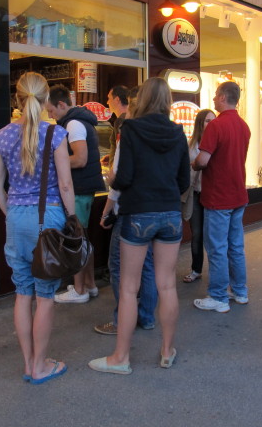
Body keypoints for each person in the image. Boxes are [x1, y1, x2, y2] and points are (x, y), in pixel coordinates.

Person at [89, 77, 189, 374]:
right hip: (170, 213)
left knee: (129, 286)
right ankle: (167, 350)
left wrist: (111, 180)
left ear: (142, 99)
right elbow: (184, 181)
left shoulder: (131, 129)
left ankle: (121, 358)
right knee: (167, 285)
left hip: (138, 214)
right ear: (168, 101)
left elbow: (125, 176)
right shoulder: (178, 132)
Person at [0, 72, 75, 384]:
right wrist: (72, 219)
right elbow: (65, 184)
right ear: (45, 100)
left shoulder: (2, 135)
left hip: (15, 219)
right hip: (48, 218)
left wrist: (11, 212)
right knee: (46, 295)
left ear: (18, 97)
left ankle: (29, 363)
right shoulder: (55, 134)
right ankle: (41, 365)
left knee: (23, 293)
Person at [94, 86, 158, 335]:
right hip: (153, 208)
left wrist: (107, 211)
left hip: (129, 210)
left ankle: (123, 321)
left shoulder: (128, 133)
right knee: (149, 265)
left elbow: (117, 180)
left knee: (119, 266)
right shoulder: (160, 132)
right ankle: (147, 317)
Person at [192, 81, 251, 313]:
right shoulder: (244, 126)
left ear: (224, 97)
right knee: (235, 246)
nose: (214, 99)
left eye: (216, 96)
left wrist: (194, 163)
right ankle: (240, 291)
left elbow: (203, 160)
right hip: (238, 194)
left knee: (216, 247)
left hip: (218, 195)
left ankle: (218, 296)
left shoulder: (215, 126)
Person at [47, 85, 106, 304]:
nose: (51, 117)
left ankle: (79, 290)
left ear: (61, 105)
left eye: (52, 112)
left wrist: (52, 163)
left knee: (76, 239)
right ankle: (89, 285)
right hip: (84, 188)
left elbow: (80, 158)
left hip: (79, 189)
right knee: (84, 239)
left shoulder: (72, 124)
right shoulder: (78, 121)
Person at [182, 108, 216, 283]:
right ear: (200, 123)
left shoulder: (217, 141)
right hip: (195, 193)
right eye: (208, 121)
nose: (211, 123)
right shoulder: (192, 144)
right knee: (196, 234)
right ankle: (196, 269)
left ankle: (215, 272)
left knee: (212, 235)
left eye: (213, 120)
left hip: (211, 194)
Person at [102, 85, 129, 167]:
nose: (107, 102)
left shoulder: (120, 121)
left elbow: (122, 149)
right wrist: (111, 156)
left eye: (109, 98)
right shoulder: (130, 117)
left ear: (117, 99)